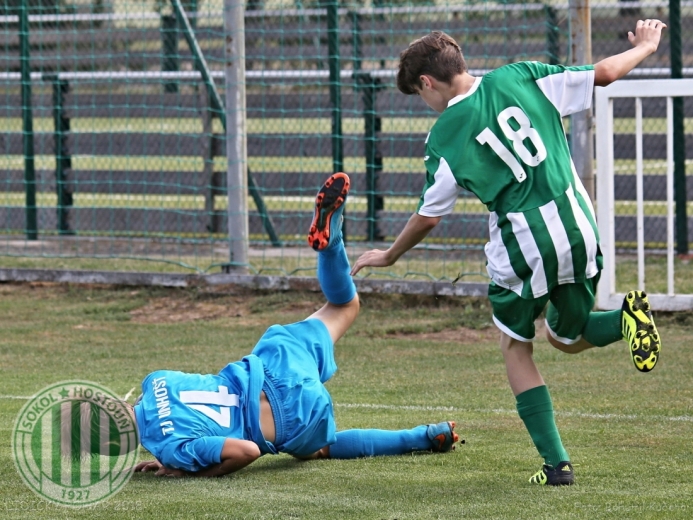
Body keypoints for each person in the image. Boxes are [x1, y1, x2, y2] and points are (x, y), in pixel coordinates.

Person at [350, 21, 666, 486]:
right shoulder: (520, 75)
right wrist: (647, 46)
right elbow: (602, 73)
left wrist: (391, 255)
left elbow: (430, 214)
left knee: (517, 347)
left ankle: (557, 466)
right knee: (567, 334)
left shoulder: (445, 136)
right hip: (580, 224)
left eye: (422, 95)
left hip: (524, 244)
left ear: (427, 83)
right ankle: (625, 319)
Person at [129, 173, 460, 478]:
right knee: (343, 306)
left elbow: (247, 450)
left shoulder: (174, 447)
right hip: (276, 362)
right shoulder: (156, 381)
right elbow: (179, 416)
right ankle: (332, 245)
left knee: (321, 449)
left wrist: (189, 470)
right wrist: (172, 453)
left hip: (291, 417)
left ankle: (424, 436)